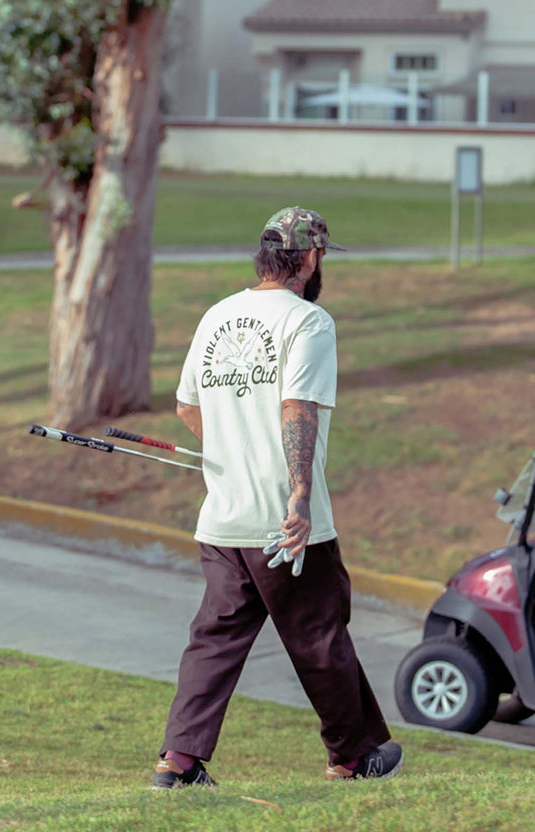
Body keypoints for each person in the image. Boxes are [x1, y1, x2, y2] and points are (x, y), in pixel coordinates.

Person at [150, 206, 402, 788]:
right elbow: (297, 406)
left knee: (213, 641)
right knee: (319, 635)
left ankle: (178, 761)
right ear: (309, 258)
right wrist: (299, 494)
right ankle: (353, 756)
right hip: (281, 521)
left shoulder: (217, 314)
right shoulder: (308, 322)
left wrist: (233, 452)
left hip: (223, 519)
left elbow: (186, 405)